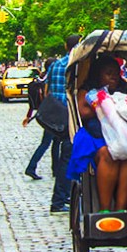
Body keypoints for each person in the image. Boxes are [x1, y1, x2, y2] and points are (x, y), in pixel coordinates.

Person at [73, 55, 127, 211]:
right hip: (96, 135)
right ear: (98, 74)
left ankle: (121, 208)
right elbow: (83, 111)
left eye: (116, 73)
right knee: (107, 154)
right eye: (108, 73)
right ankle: (104, 209)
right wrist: (106, 107)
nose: (113, 77)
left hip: (122, 134)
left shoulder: (126, 88)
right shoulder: (88, 89)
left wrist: (107, 105)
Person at [45, 34, 82, 213]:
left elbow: (48, 89)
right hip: (71, 116)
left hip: (57, 114)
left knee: (62, 154)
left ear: (66, 46)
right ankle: (60, 199)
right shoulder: (78, 64)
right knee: (68, 156)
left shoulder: (56, 64)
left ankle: (63, 196)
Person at [23, 59, 56, 180]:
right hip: (53, 115)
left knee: (53, 142)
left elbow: (32, 102)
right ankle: (31, 167)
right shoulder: (50, 80)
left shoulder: (41, 79)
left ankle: (55, 169)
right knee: (47, 143)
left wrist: (29, 115)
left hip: (46, 114)